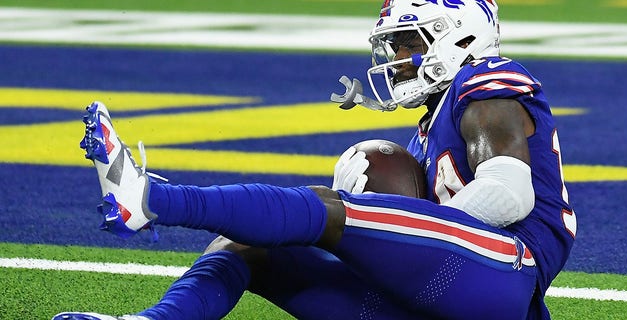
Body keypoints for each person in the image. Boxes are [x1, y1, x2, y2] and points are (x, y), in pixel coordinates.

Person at [53, 0, 576, 319]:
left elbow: (509, 191)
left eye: (404, 44)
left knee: (327, 211)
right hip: (437, 297)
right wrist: (384, 237)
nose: (393, 60)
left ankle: (148, 199)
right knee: (249, 244)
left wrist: (374, 223)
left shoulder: (486, 82)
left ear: (456, 36)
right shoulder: (429, 126)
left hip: (503, 276)